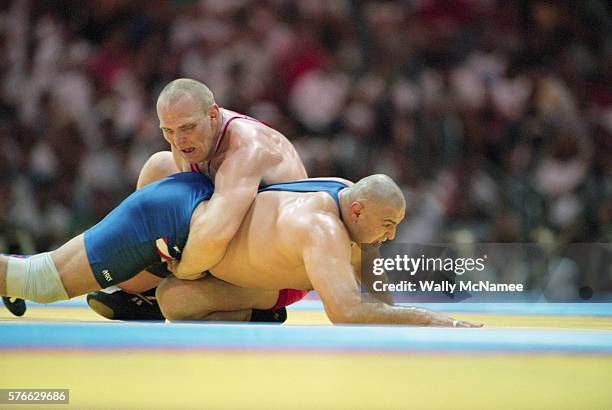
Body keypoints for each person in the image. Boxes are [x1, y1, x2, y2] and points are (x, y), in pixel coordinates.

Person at [0, 171, 481, 327]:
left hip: (207, 237)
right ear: (357, 211)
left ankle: (139, 293)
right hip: (174, 223)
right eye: (389, 225)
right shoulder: (324, 228)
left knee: (175, 299)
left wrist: (397, 308)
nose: (391, 236)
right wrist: (431, 318)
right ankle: (128, 292)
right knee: (40, 281)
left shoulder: (345, 196)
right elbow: (347, 311)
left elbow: (370, 278)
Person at [84, 77, 308, 320]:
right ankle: (149, 293)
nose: (178, 140)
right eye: (168, 131)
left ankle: (262, 312)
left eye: (187, 127)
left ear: (213, 115)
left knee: (175, 301)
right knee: (158, 167)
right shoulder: (185, 139)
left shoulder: (248, 148)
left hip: (278, 272)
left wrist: (183, 270)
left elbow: (215, 233)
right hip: (231, 249)